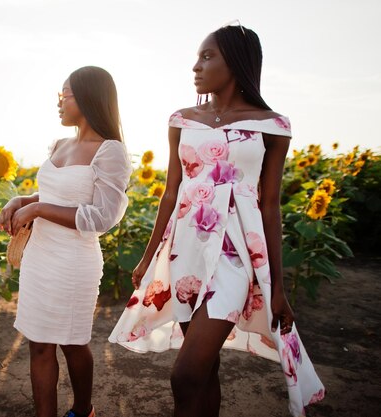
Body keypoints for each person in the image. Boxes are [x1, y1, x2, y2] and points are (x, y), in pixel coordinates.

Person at [108, 24, 325, 417]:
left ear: (237, 63)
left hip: (236, 256)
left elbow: (270, 205)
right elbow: (170, 193)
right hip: (184, 250)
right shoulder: (181, 119)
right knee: (205, 371)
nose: (196, 66)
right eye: (198, 56)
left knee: (185, 376)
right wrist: (147, 256)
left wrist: (277, 287)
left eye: (207, 57)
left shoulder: (272, 125)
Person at [0, 66, 132, 417]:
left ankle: (82, 410)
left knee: (73, 343)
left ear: (88, 97)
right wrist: (23, 201)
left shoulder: (110, 151)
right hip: (39, 256)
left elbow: (102, 216)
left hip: (73, 261)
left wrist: (39, 208)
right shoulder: (60, 144)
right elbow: (56, 193)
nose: (59, 102)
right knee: (38, 345)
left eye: (65, 94)